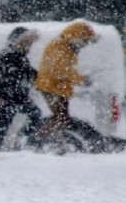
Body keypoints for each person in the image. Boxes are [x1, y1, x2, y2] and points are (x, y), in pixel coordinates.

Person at [34, 21, 98, 154]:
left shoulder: (67, 46)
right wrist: (81, 80)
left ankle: (57, 142)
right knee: (61, 118)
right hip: (52, 87)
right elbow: (61, 69)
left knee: (62, 118)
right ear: (76, 37)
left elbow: (64, 69)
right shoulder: (59, 46)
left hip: (59, 87)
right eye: (84, 41)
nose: (85, 45)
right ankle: (38, 139)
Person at [0, 27, 42, 150]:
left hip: (18, 95)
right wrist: (3, 96)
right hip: (7, 96)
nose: (30, 46)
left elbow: (28, 73)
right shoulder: (8, 54)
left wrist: (41, 78)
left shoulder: (20, 55)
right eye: (28, 42)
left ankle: (23, 138)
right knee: (4, 123)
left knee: (33, 114)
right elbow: (5, 77)